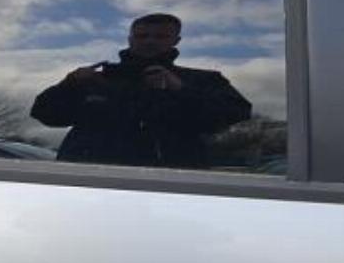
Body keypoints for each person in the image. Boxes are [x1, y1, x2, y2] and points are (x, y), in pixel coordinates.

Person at [30, 13, 252, 168]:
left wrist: (180, 89)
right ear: (130, 39)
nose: (149, 42)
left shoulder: (202, 80)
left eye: (160, 36)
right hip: (89, 182)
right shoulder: (96, 80)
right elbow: (45, 113)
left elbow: (236, 113)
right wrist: (67, 85)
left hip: (169, 185)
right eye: (142, 36)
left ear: (176, 40)